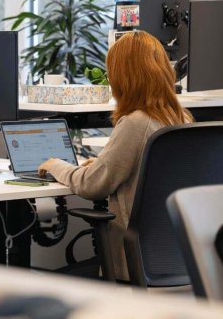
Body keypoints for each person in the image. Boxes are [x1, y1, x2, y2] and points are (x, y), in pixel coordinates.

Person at [38, 31, 194, 281]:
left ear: (124, 77)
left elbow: (92, 186)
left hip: (135, 259)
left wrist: (55, 165)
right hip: (180, 253)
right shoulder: (182, 119)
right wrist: (99, 164)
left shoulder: (137, 123)